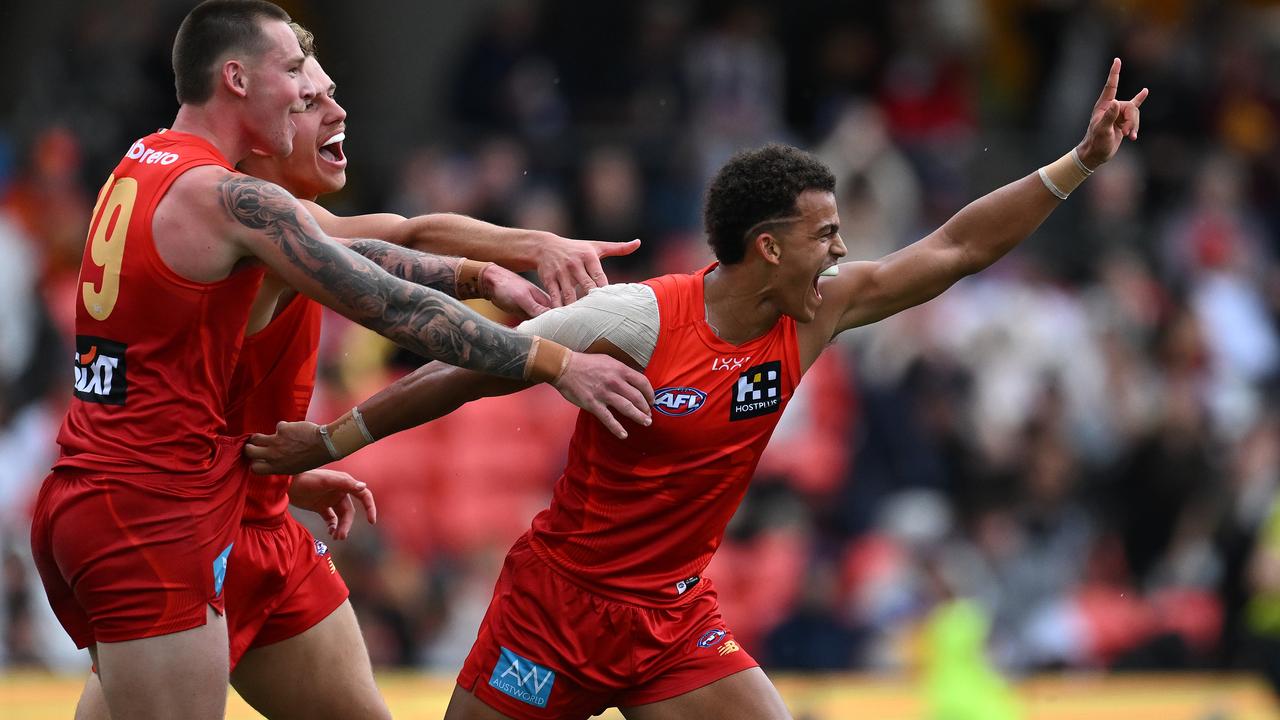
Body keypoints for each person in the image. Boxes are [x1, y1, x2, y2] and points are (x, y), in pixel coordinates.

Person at [250, 61, 1145, 719]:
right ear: (768, 247)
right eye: (824, 234)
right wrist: (331, 442)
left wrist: (1077, 164)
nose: (840, 251)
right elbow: (468, 369)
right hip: (557, 608)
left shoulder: (817, 314)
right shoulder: (642, 319)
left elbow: (954, 250)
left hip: (673, 618)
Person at [29, 2, 652, 719]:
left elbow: (385, 239)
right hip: (150, 511)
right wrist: (557, 364)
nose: (311, 94)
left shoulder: (158, 165)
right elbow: (386, 301)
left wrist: (505, 259)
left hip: (200, 496)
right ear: (235, 78)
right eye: (295, 74)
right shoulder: (231, 200)